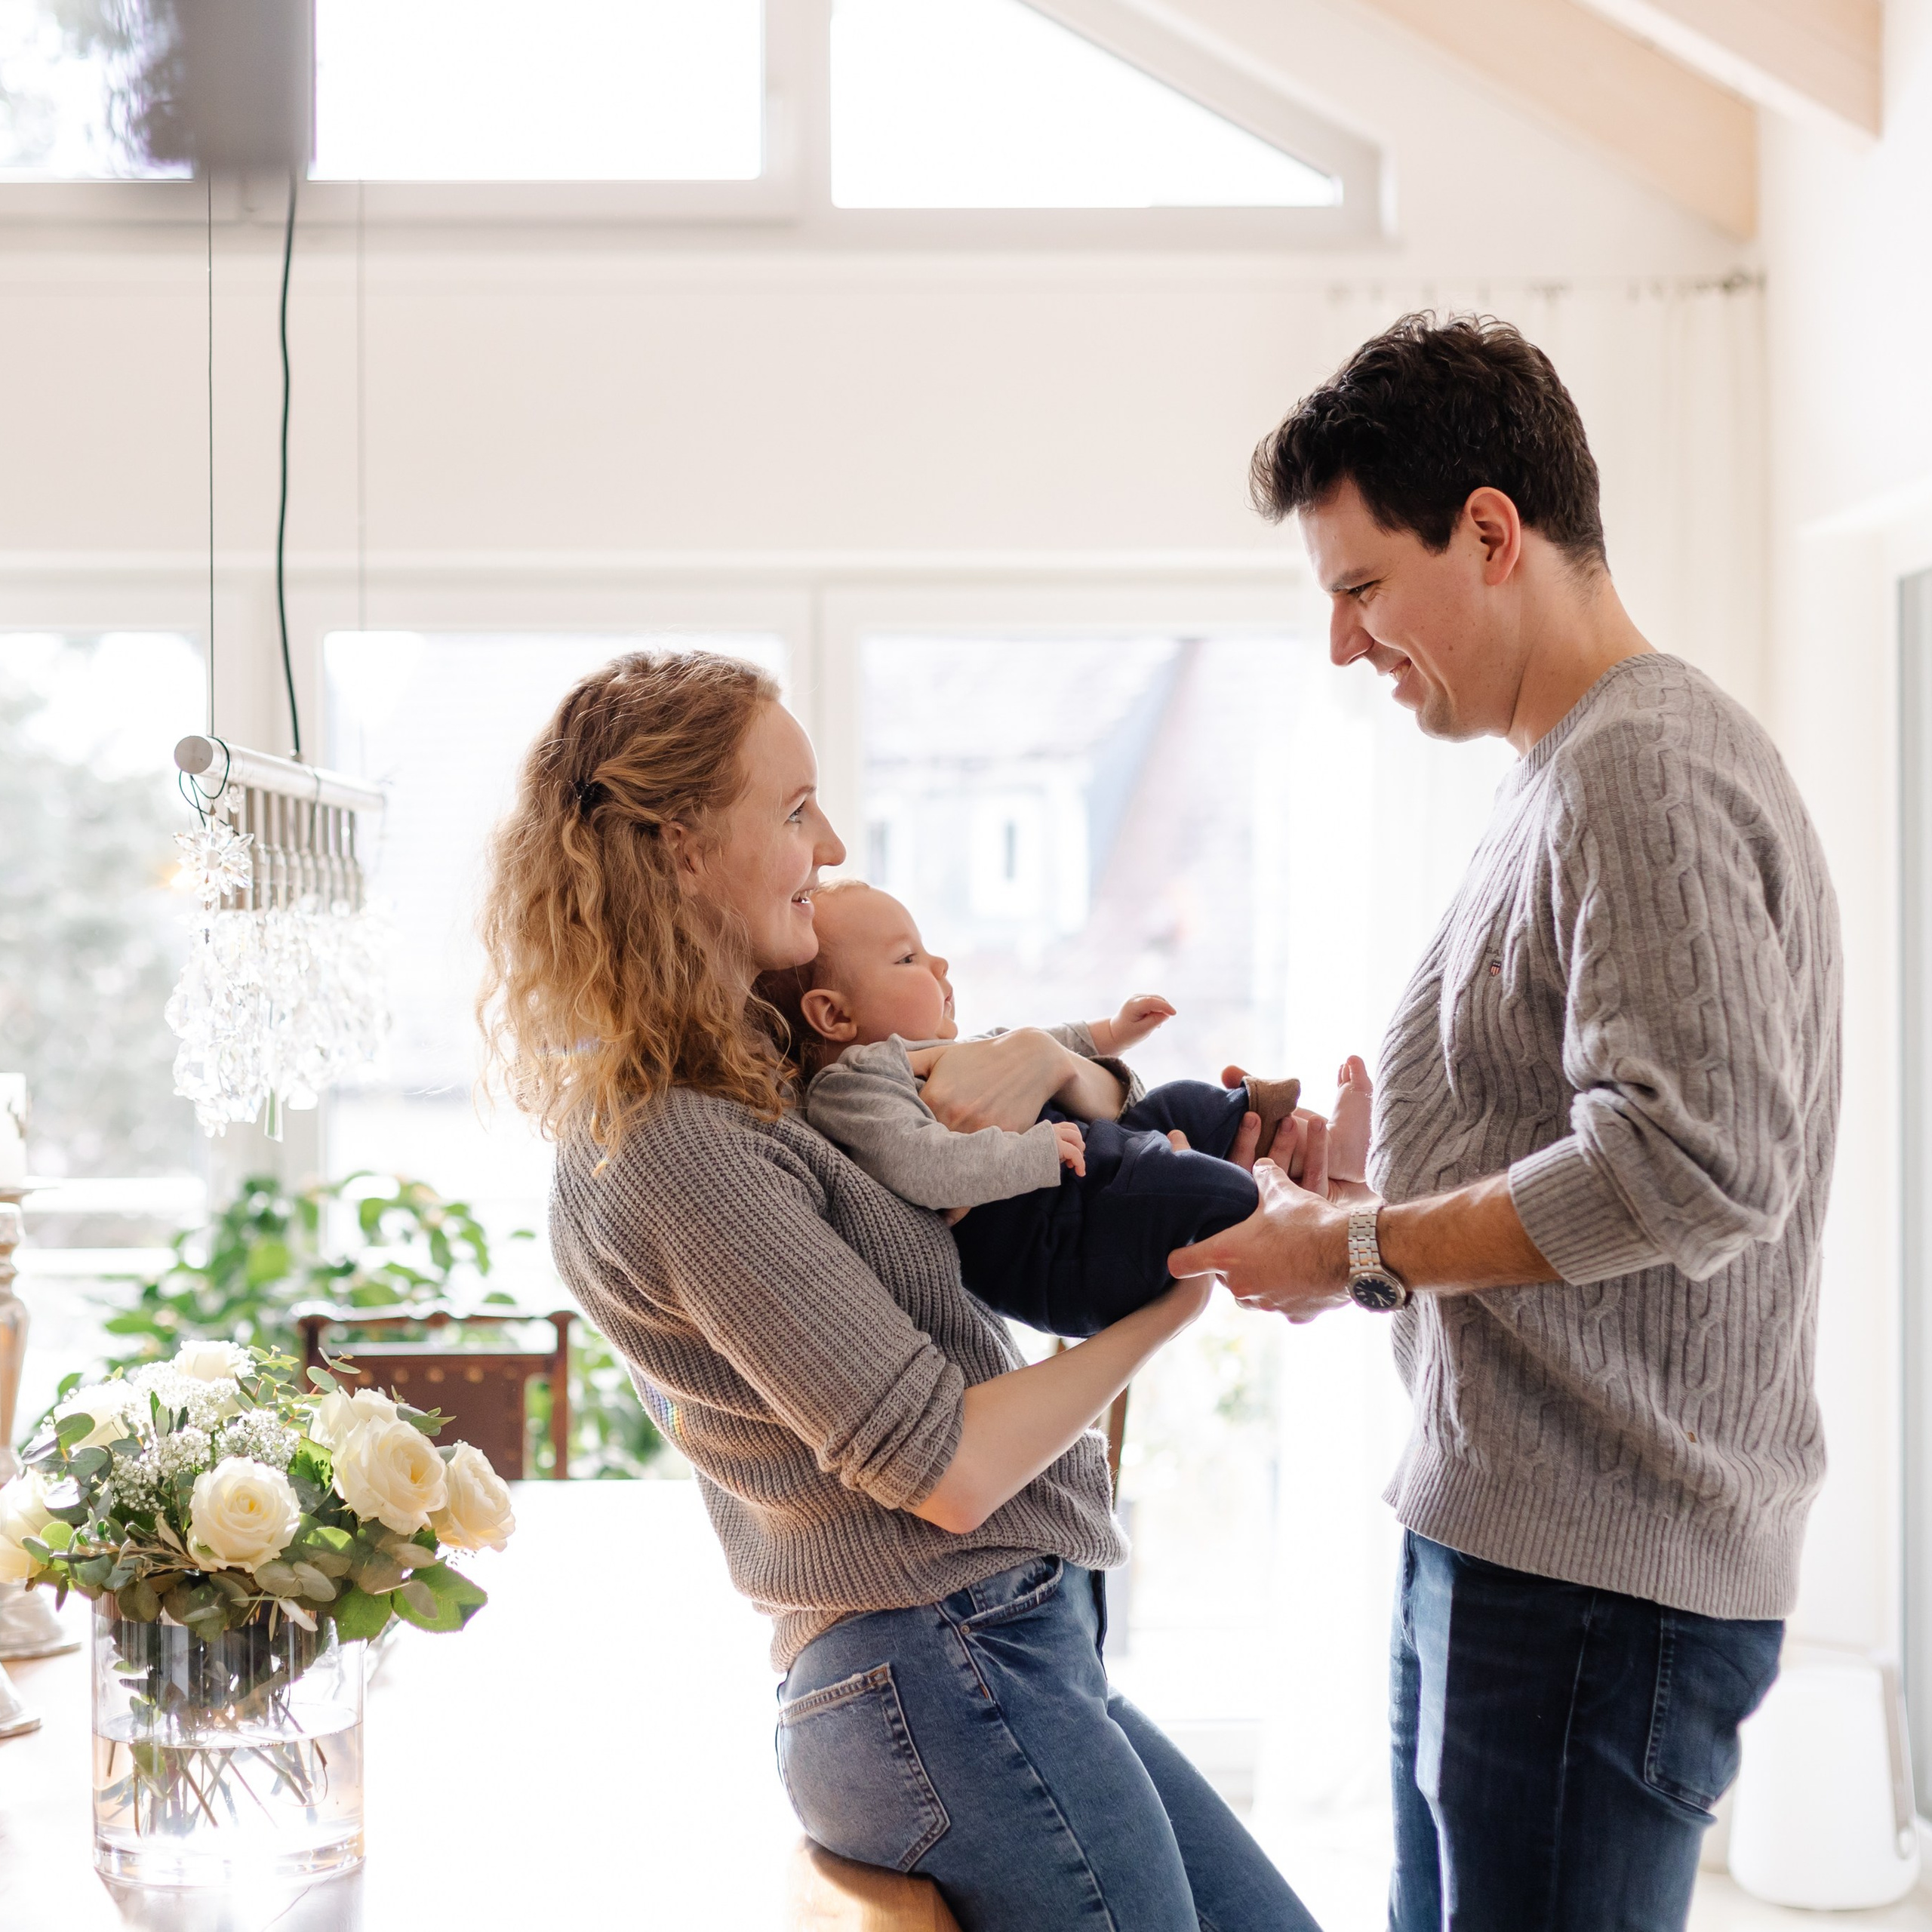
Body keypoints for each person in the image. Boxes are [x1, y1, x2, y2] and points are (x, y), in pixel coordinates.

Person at [1169, 315, 1842, 1932]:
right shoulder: (1561, 773)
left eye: (1356, 587)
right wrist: (1367, 1186)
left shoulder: (1641, 769)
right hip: (1520, 1543)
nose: (1340, 644)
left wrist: (1360, 1242)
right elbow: (1582, 1141)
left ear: (1487, 533)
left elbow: (1687, 1164)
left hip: (1592, 1583)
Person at [476, 650, 1321, 1932]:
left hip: (991, 1654)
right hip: (943, 1663)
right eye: (795, 807)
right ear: (682, 845)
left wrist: (1058, 1063)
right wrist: (1178, 1302)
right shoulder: (679, 1144)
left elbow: (1025, 1154)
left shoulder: (766, 1086)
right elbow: (947, 1467)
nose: (831, 840)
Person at [760, 876, 1352, 1335]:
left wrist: (1111, 1033)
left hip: (1090, 1189)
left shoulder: (945, 1051)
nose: (939, 966)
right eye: (908, 959)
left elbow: (1039, 1044)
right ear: (834, 1015)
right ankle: (1292, 1224)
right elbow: (924, 1165)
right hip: (1065, 1250)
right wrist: (1032, 1153)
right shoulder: (853, 1086)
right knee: (1178, 1181)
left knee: (1181, 1106)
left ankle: (1310, 1144)